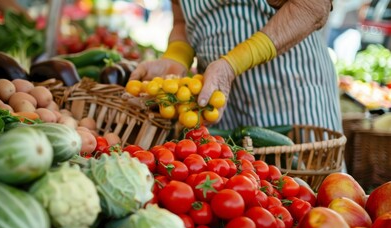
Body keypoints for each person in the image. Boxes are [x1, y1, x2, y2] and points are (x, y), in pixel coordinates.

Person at [129, 0, 342, 133]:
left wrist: (232, 64)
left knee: (304, 195)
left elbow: (312, 6)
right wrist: (175, 59)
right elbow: (182, 22)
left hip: (288, 92)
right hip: (219, 102)